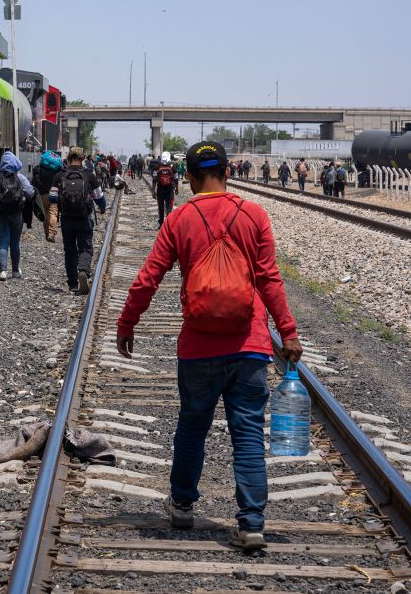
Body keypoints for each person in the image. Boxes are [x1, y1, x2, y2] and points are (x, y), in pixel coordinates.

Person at [115, 140, 303, 552]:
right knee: (249, 434)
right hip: (250, 344)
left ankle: (182, 506)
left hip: (198, 347)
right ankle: (252, 523)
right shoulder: (254, 215)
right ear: (228, 173)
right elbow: (269, 279)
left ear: (189, 177)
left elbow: (149, 277)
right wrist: (287, 331)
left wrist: (128, 322)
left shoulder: (180, 218)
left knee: (192, 426)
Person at [46, 147, 107, 294]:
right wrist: (102, 207)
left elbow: (52, 198)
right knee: (85, 248)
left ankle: (73, 283)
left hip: (67, 219)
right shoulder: (89, 175)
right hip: (84, 218)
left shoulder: (59, 175)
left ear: (68, 159)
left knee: (70, 251)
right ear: (82, 159)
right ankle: (83, 271)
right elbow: (99, 197)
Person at [0, 151, 36, 280]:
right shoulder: (20, 177)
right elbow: (30, 192)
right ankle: (15, 271)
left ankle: (3, 271)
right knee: (15, 243)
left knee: (3, 242)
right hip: (16, 214)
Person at [154, 151, 176, 228]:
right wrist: (177, 188)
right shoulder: (172, 167)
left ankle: (161, 223)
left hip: (160, 189)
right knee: (169, 206)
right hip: (169, 189)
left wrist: (154, 190)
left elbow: (154, 179)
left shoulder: (157, 167)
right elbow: (175, 179)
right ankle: (168, 223)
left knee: (161, 206)